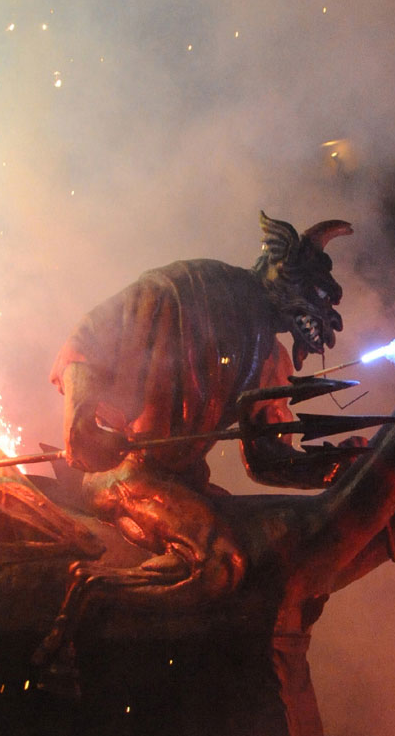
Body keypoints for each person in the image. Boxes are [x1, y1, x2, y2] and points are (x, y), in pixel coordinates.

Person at [49, 211, 359, 593]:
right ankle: (87, 603)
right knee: (220, 562)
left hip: (189, 485)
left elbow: (266, 459)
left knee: (272, 552)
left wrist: (329, 467)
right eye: (314, 295)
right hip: (126, 475)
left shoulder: (270, 357)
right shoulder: (187, 286)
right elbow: (89, 339)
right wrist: (80, 424)